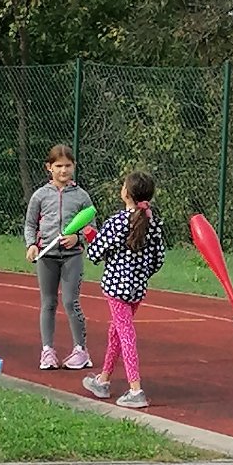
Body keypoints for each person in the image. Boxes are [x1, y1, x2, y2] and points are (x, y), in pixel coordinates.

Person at [82, 170, 165, 408]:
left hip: (116, 288)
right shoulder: (153, 223)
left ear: (126, 193)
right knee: (116, 332)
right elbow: (158, 258)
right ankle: (103, 380)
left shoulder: (117, 222)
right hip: (137, 288)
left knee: (125, 334)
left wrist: (90, 237)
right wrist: (141, 273)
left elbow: (95, 253)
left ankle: (135, 389)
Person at [24, 144, 95, 371]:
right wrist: (32, 245)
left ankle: (81, 351)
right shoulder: (40, 196)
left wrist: (77, 237)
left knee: (71, 302)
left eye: (67, 165)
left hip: (72, 257)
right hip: (47, 257)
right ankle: (47, 351)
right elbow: (30, 224)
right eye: (58, 166)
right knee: (48, 303)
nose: (63, 170)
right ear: (49, 167)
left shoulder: (82, 197)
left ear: (74, 166)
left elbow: (91, 227)